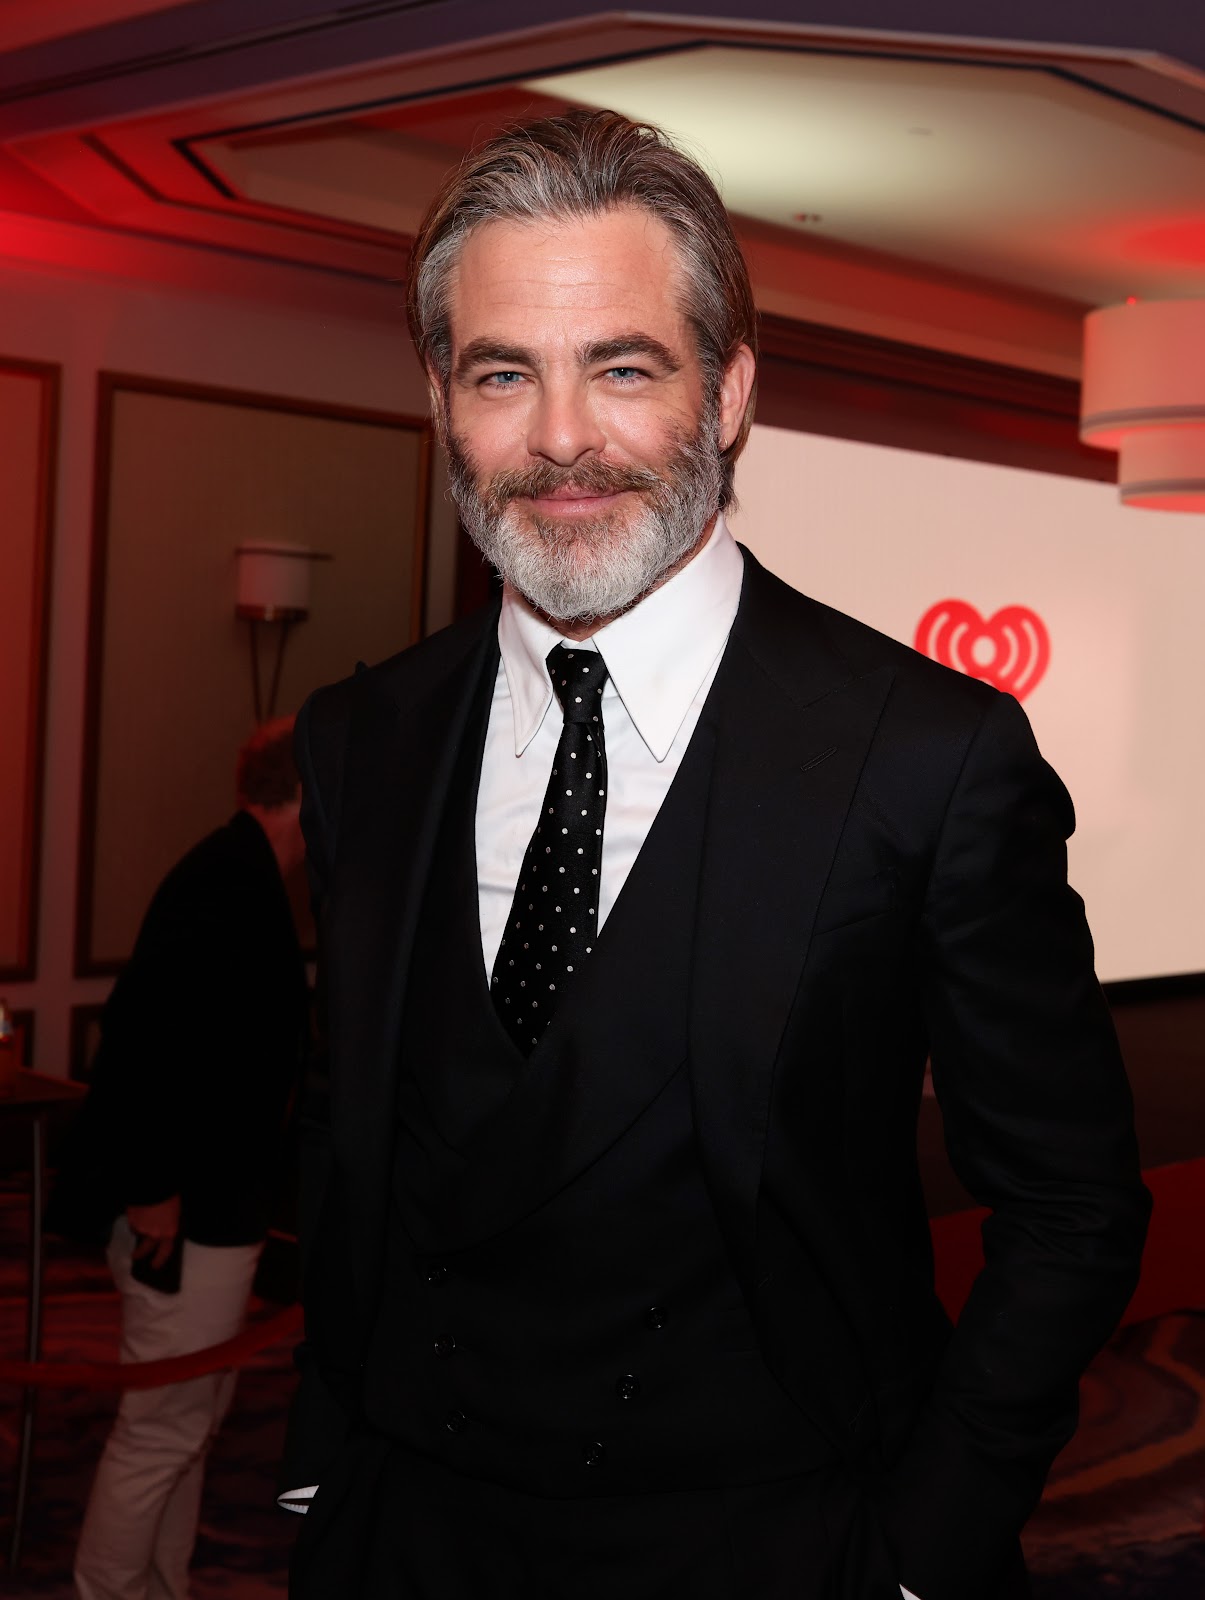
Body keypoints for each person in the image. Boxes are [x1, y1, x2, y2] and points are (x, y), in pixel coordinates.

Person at [279, 111, 1149, 1600]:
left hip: (775, 1539)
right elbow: (365, 1134)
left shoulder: (925, 755)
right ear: (439, 398)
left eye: (622, 366)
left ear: (730, 388)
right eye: (504, 374)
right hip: (411, 1534)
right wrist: (320, 1466)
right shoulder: (368, 736)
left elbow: (1073, 1206)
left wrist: (922, 1548)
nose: (560, 438)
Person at [52, 716, 310, 1600]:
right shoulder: (225, 883)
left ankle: (161, 1588)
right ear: (306, 792)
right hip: (185, 1212)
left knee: (192, 1419)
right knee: (163, 1423)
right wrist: (153, 1189)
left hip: (215, 1205)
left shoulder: (241, 876)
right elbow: (142, 1045)